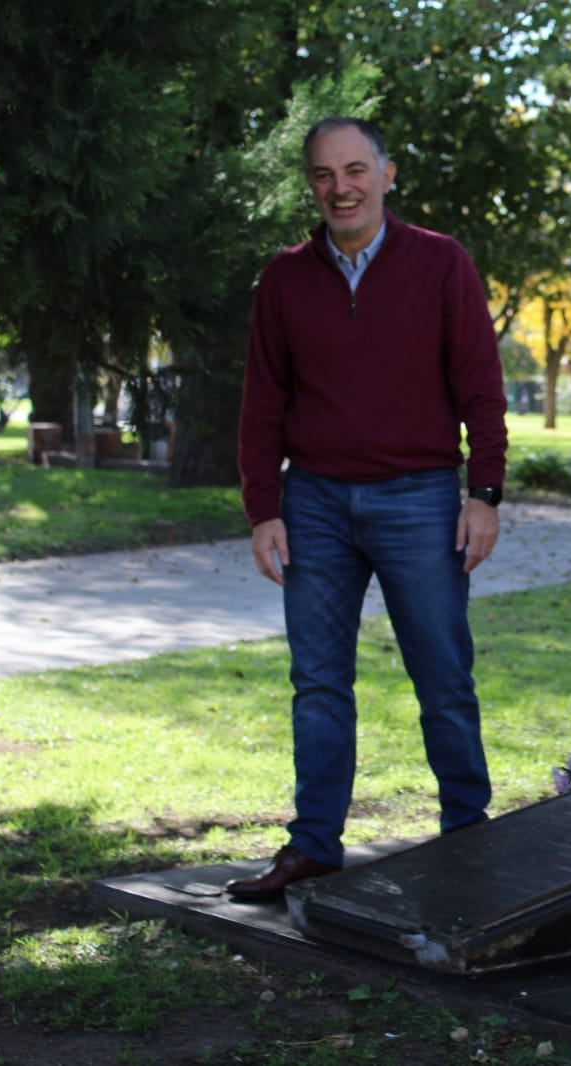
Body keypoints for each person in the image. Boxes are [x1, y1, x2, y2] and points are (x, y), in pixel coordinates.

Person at [228, 116, 508, 901]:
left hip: (420, 497)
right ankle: (313, 845)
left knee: (442, 675)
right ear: (311, 185)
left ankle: (466, 837)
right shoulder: (283, 280)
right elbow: (262, 405)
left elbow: (481, 388)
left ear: (387, 175)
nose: (340, 187)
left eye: (355, 170)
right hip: (312, 500)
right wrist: (263, 507)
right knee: (317, 682)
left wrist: (483, 493)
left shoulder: (441, 264)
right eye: (323, 175)